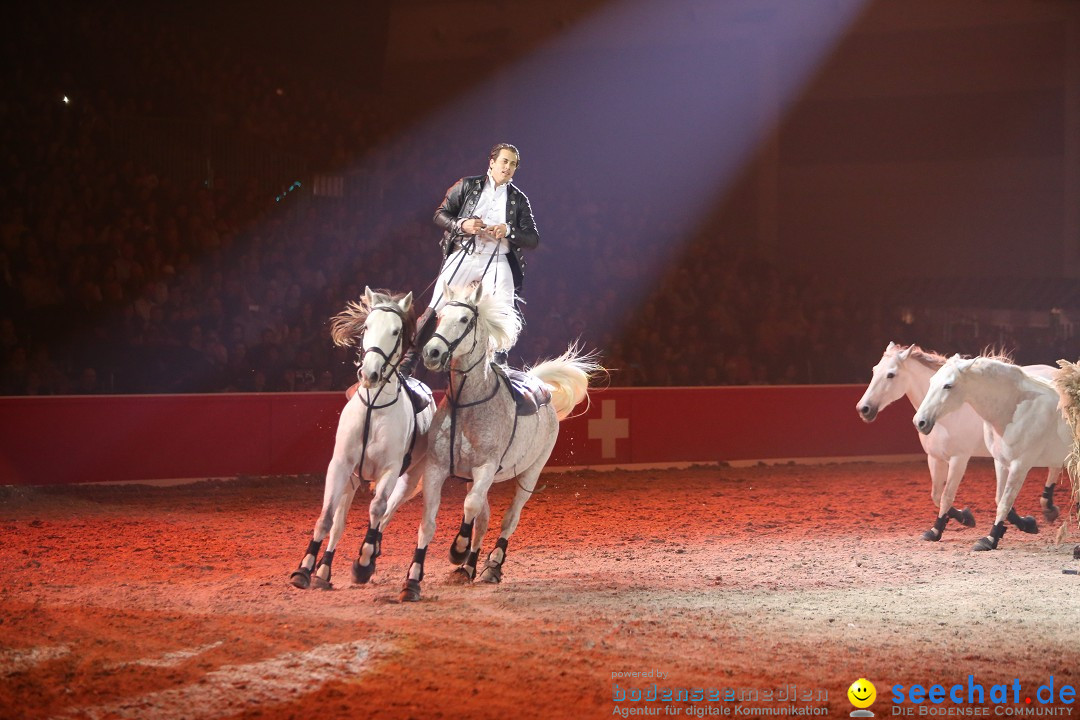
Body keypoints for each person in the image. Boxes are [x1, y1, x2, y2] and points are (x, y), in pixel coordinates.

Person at [400, 143, 540, 374]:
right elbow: (440, 214)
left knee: (504, 310)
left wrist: (508, 231)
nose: (508, 167)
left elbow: (532, 239)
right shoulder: (467, 185)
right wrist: (462, 224)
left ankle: (499, 361)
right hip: (465, 253)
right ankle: (410, 360)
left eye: (513, 164)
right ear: (492, 162)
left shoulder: (518, 199)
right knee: (437, 304)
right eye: (504, 161)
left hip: (497, 258)